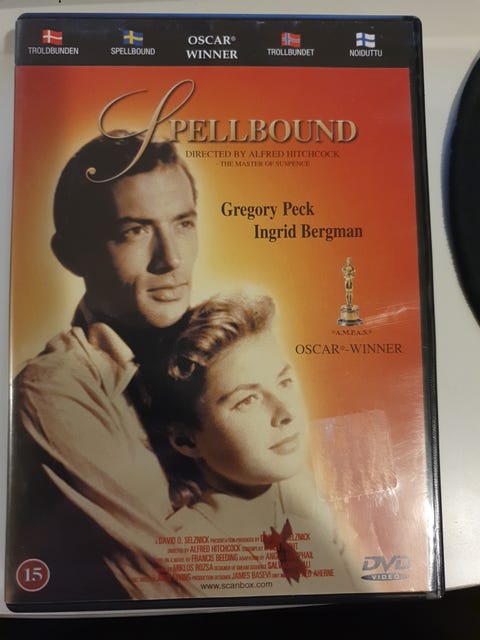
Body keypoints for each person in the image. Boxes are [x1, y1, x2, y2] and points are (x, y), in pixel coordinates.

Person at [6, 132, 205, 603]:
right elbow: (175, 587)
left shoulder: (215, 350)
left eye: (183, 224)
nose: (172, 259)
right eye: (134, 231)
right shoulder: (53, 389)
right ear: (71, 254)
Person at [122, 290, 361, 598]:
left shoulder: (316, 524)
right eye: (247, 400)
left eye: (284, 382)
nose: (285, 413)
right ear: (186, 439)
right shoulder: (181, 554)